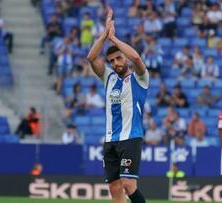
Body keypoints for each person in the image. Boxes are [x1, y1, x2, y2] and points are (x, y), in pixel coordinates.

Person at [87, 9, 148, 203]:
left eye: (119, 58)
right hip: (110, 139)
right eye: (112, 60)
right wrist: (105, 35)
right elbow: (90, 57)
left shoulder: (140, 78)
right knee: (115, 190)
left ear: (125, 58)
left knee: (128, 185)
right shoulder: (108, 77)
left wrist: (114, 39)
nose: (115, 63)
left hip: (131, 137)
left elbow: (137, 58)